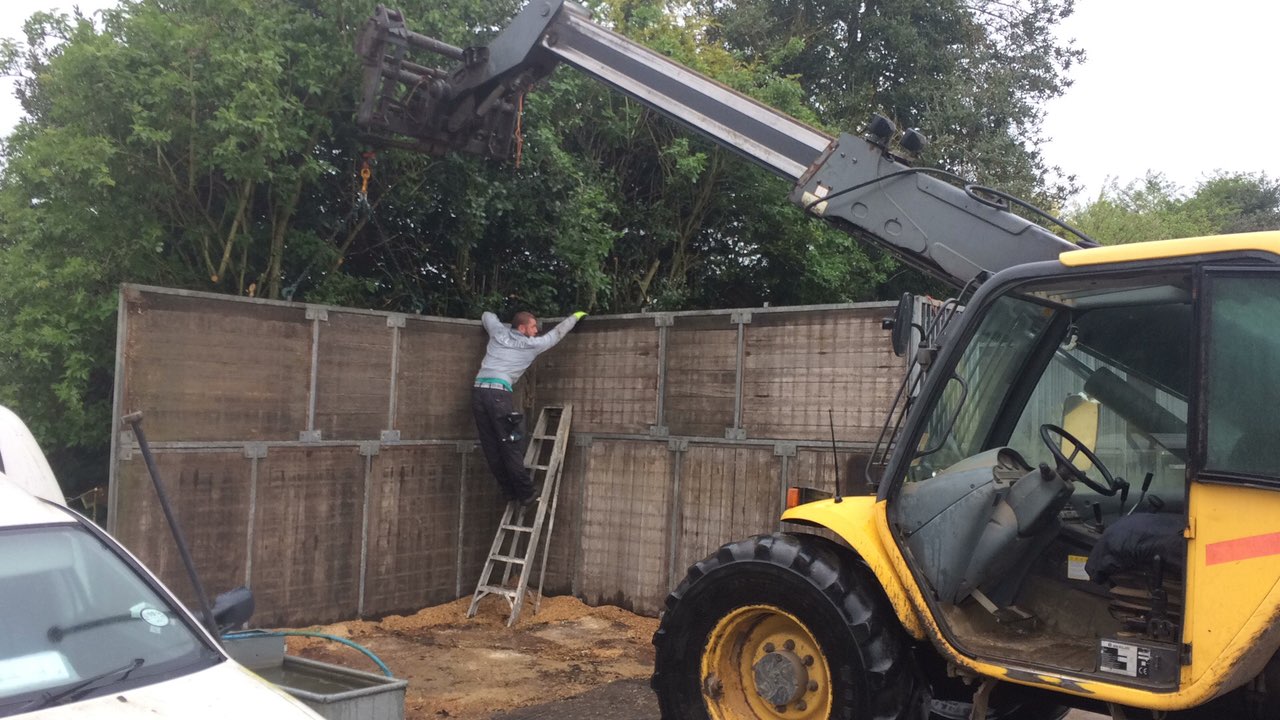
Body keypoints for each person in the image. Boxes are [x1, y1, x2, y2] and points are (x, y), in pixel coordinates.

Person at [472, 309, 586, 504]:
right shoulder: (532, 344)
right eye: (533, 326)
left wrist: (504, 327)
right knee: (511, 445)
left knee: (491, 446)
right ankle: (526, 493)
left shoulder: (498, 332)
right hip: (499, 395)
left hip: (479, 393)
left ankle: (508, 491)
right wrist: (576, 316)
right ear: (522, 327)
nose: (537, 330)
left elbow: (486, 315)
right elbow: (557, 333)